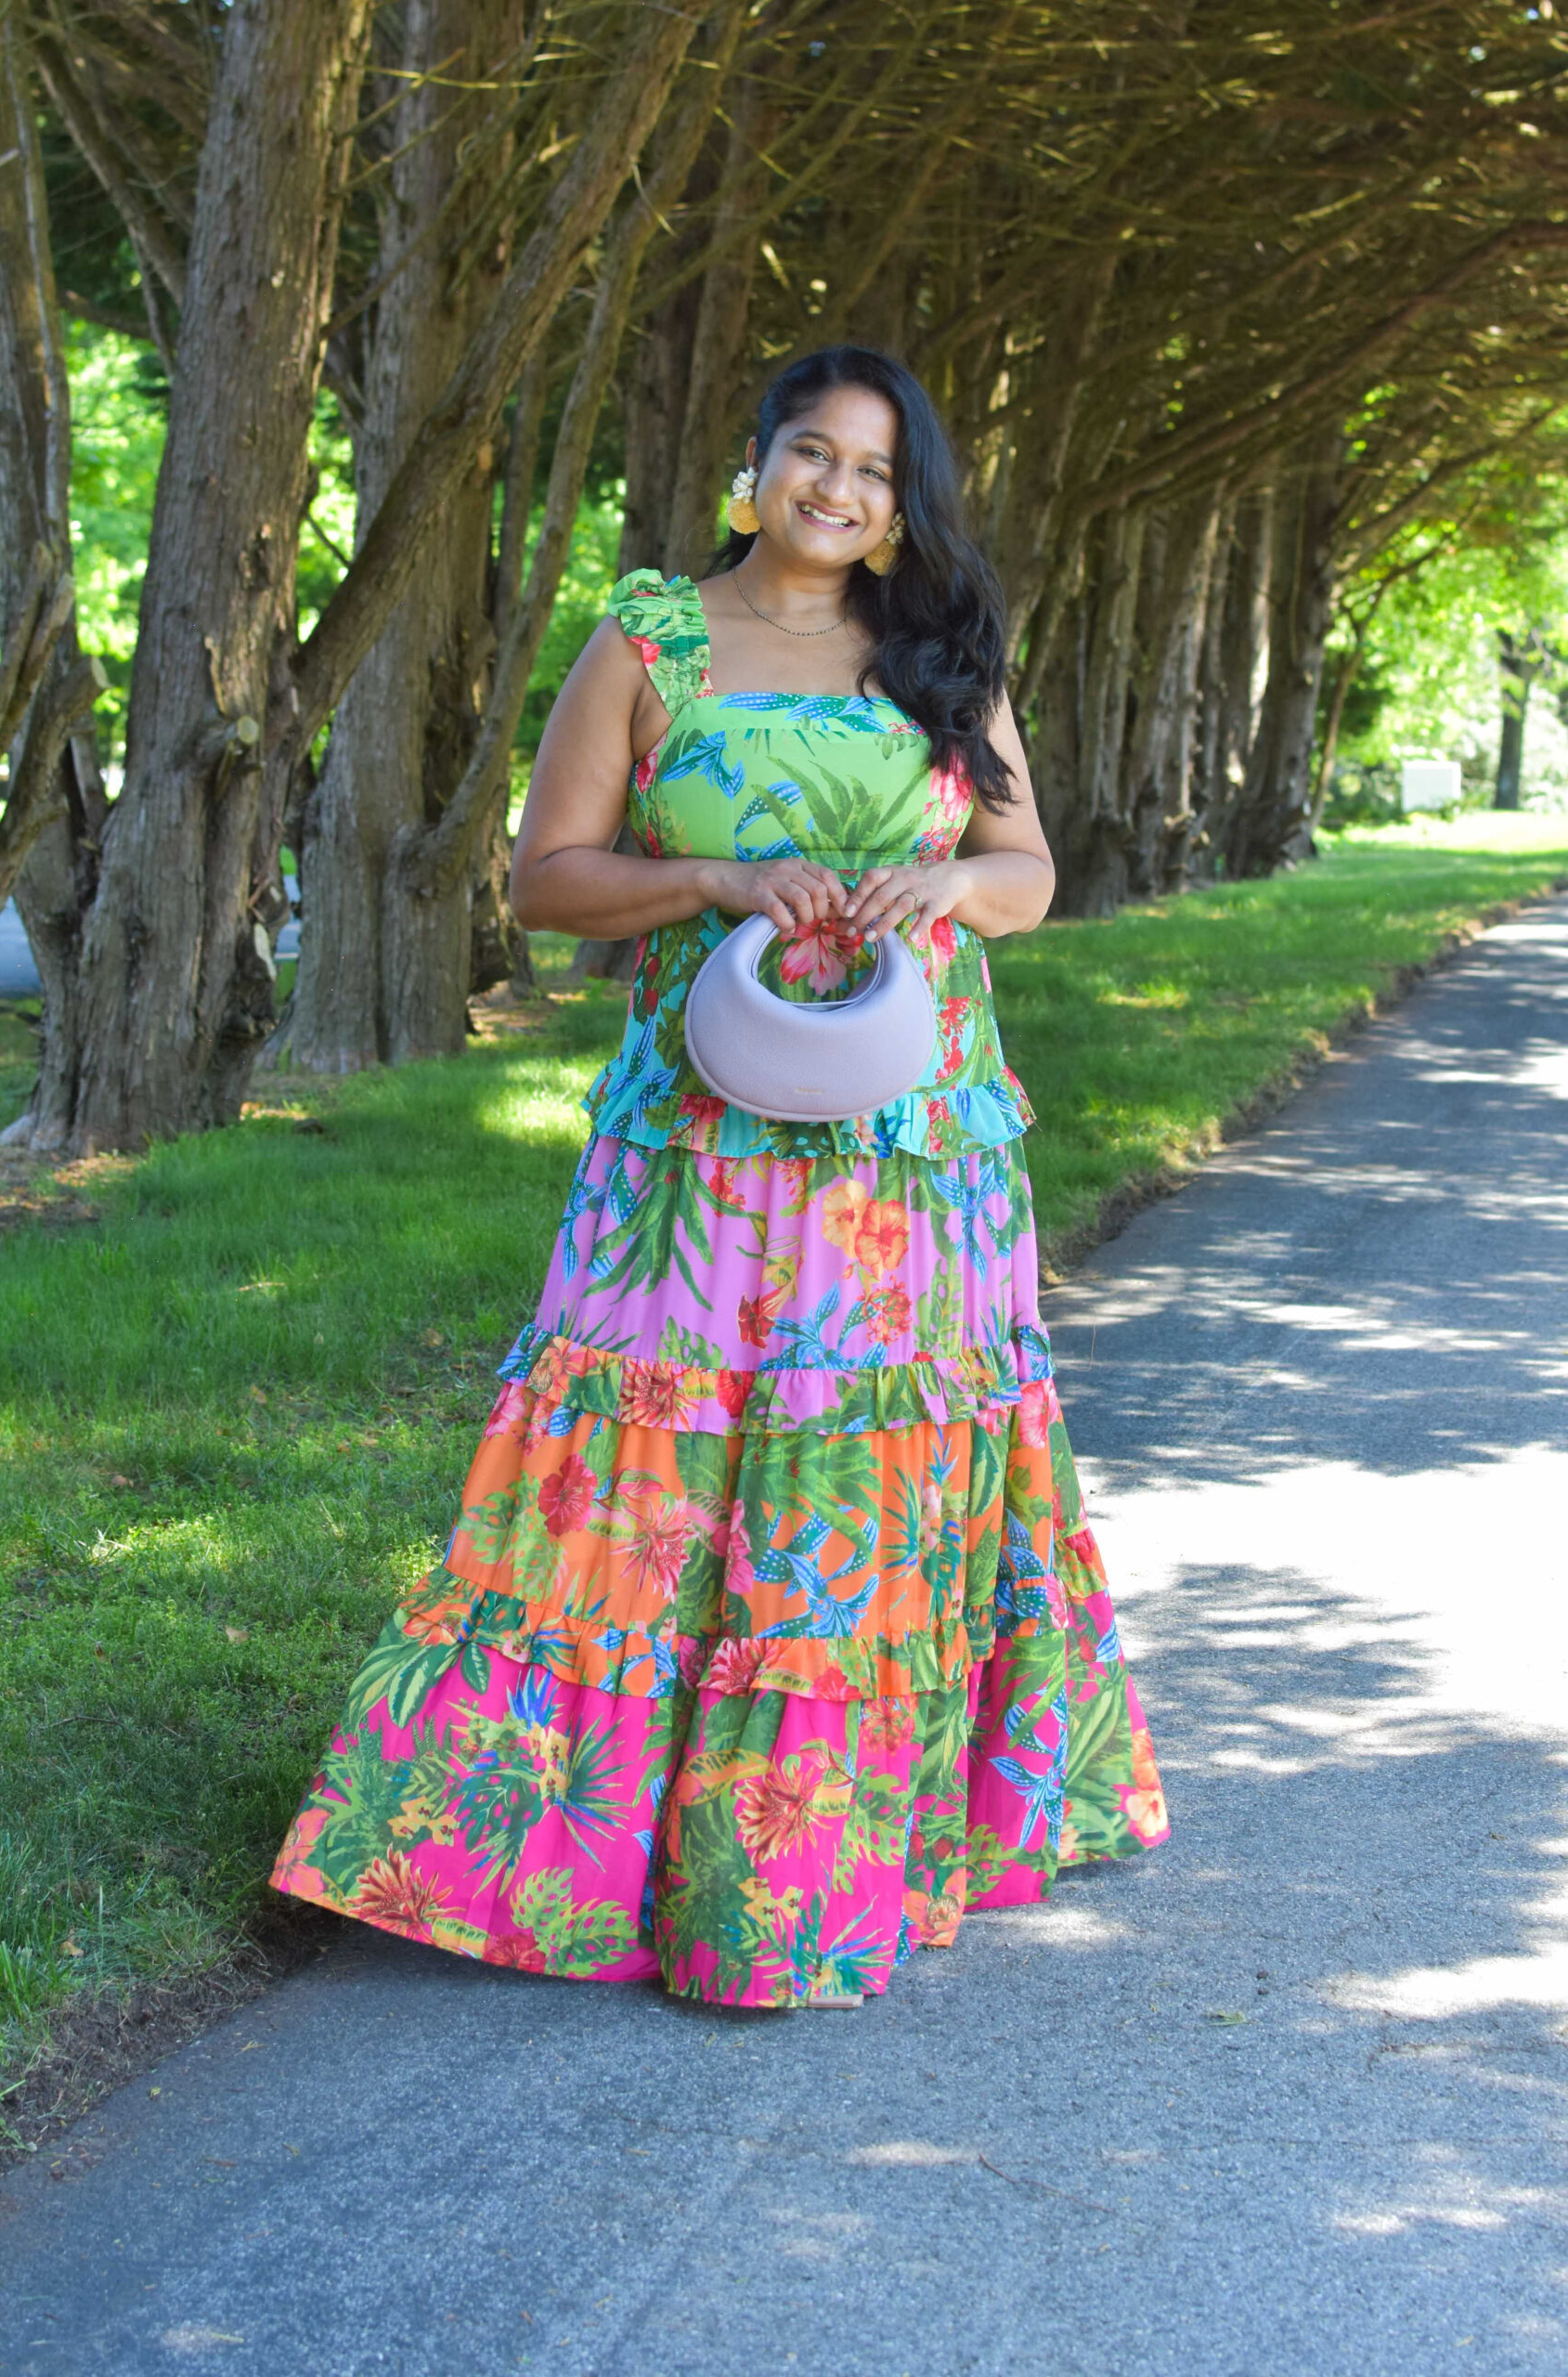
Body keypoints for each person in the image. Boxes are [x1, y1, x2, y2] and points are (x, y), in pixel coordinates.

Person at [271, 344, 1168, 2007]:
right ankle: (565, 1862)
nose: (839, 491)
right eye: (811, 454)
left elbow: (1029, 869)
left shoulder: (945, 656)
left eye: (876, 473)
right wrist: (712, 877)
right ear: (752, 464)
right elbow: (546, 882)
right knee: (647, 1462)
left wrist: (948, 896)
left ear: (909, 504)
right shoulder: (650, 637)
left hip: (917, 1139)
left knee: (865, 1488)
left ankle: (811, 1876)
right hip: (700, 1130)